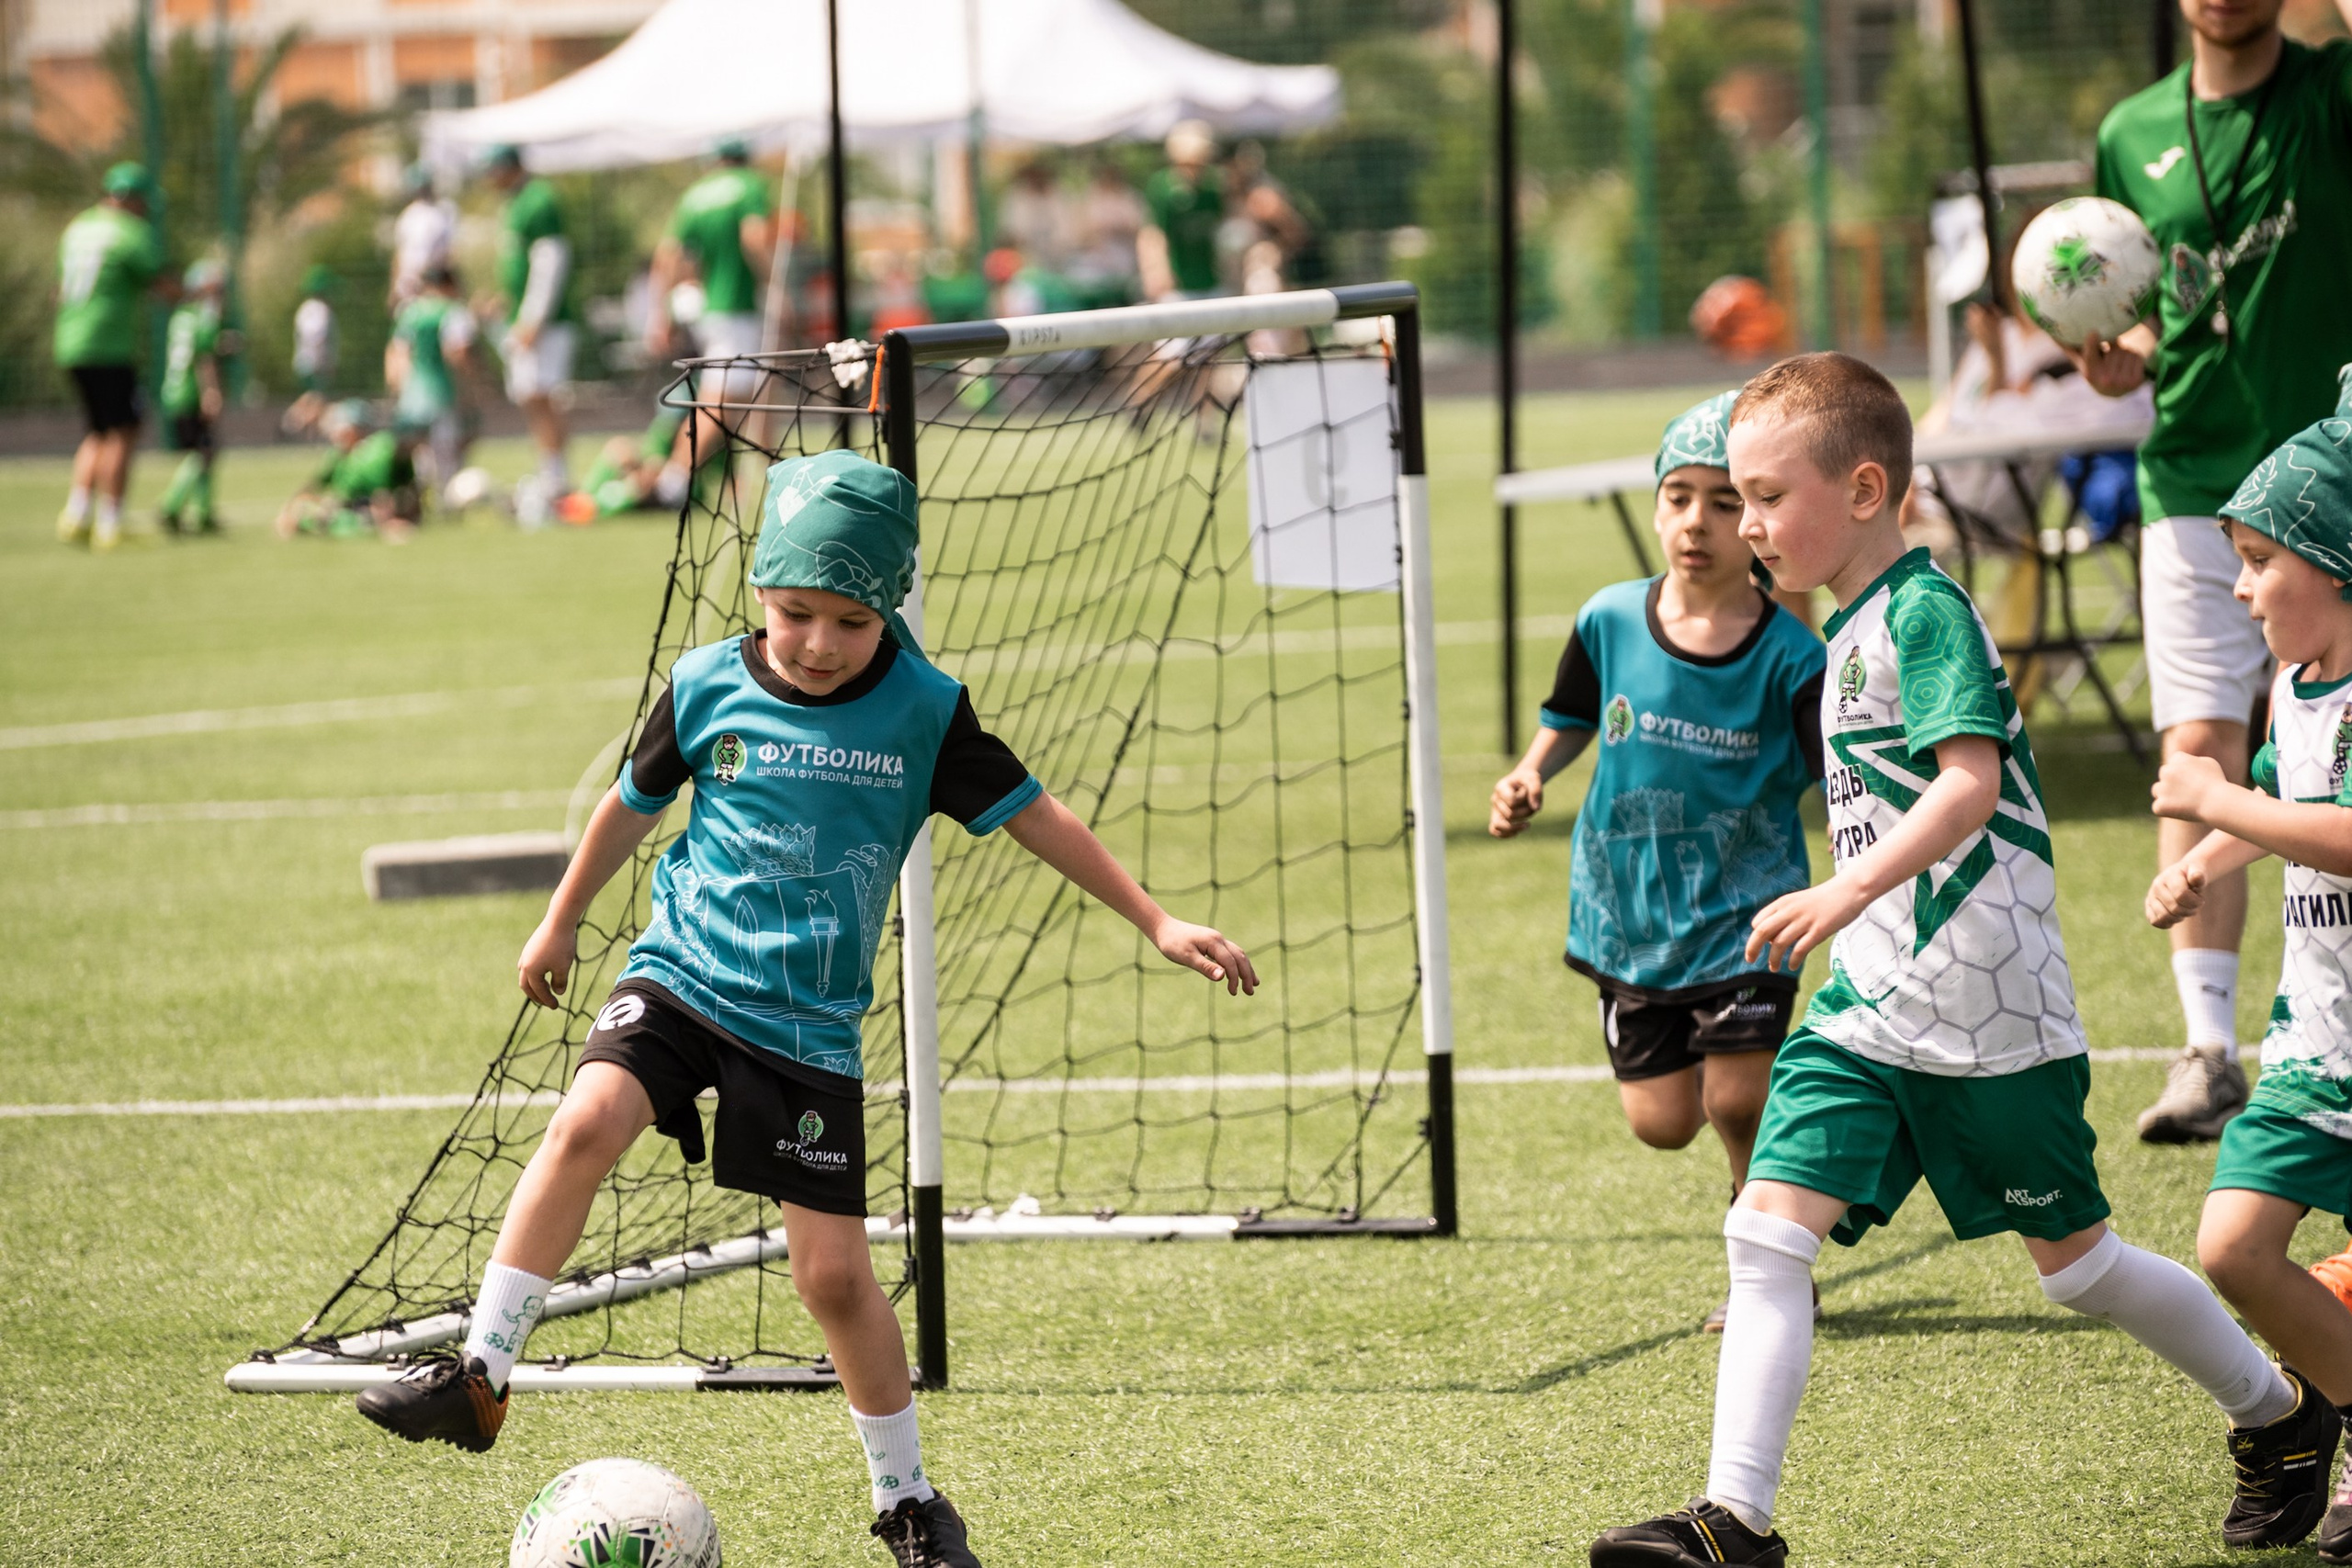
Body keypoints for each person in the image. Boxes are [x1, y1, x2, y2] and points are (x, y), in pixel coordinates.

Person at [351, 451, 1259, 1567]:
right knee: (582, 1123)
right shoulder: (703, 685)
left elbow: (1035, 814)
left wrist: (1155, 919)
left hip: (806, 1030)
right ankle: (480, 1377)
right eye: (794, 615)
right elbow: (627, 808)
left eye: (849, 621)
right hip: (679, 976)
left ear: (890, 612)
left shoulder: (926, 712)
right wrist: (561, 918)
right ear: (758, 596)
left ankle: (910, 1504)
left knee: (830, 1278)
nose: (819, 642)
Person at [1589, 353, 2326, 1568]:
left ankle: (2281, 1411)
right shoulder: (1845, 620)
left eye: (1768, 496)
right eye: (1736, 497)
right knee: (1767, 1235)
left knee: (2079, 1269)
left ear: (1865, 488)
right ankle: (1734, 1519)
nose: (1750, 524)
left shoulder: (1925, 614)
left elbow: (1967, 786)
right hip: (1868, 1007)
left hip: (1992, 1019)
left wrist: (1846, 882)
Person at [1490, 391, 1826, 1334]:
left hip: (1746, 912)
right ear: (1654, 508)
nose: (1697, 523)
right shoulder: (1608, 621)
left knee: (1738, 1095)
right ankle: (1765, 1202)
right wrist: (1528, 776)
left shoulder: (1794, 657)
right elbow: (1567, 718)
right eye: (1678, 498)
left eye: (1725, 503)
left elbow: (1835, 784)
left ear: (1760, 522)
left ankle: (1770, 1266)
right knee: (1661, 1122)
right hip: (1627, 916)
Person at [2081, 0, 2352, 1143]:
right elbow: (2156, 305)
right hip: (2191, 483)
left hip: (2331, 491)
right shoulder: (2128, 129)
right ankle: (2206, 1055)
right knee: (2198, 752)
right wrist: (2114, 351)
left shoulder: (2328, 89)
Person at [2149, 377, 2352, 1562]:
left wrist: (2220, 800)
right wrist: (2204, 854)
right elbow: (2284, 796)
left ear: (2334, 566)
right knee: (2230, 1245)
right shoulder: (2295, 687)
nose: (2237, 589)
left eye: (2259, 561)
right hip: (2314, 1050)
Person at [645, 139, 775, 513]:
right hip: (739, 307)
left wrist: (661, 314)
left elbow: (669, 256)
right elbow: (754, 238)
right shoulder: (749, 186)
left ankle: (772, 478)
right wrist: (775, 284)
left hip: (711, 311)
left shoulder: (695, 196)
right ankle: (673, 482)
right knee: (721, 403)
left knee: (755, 396)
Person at [53, 161, 164, 553]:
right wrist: (190, 294)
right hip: (108, 344)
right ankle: (109, 522)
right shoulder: (129, 232)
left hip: (69, 341)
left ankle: (76, 515)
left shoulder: (78, 228)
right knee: (123, 430)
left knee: (98, 430)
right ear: (132, 200)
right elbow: (160, 281)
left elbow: (61, 289)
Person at [481, 145, 577, 525]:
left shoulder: (539, 201)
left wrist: (534, 318)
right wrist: (505, 303)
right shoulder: (515, 204)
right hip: (524, 316)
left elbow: (551, 262)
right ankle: (550, 474)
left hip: (545, 322)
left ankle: (557, 479)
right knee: (530, 396)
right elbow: (519, 267)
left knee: (543, 395)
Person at [386, 265, 480, 502]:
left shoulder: (410, 311)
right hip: (441, 389)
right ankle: (446, 501)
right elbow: (456, 352)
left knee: (421, 451)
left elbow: (398, 353)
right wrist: (475, 384)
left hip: (413, 392)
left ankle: (420, 499)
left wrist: (399, 387)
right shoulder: (454, 312)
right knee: (448, 450)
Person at [276, 400, 419, 542]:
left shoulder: (377, 450)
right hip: (344, 507)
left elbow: (382, 496)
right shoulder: (338, 456)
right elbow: (315, 485)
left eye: (339, 427)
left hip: (364, 511)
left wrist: (389, 521)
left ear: (355, 429)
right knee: (308, 508)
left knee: (340, 518)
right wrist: (289, 508)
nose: (334, 433)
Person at [156, 259, 228, 536]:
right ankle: (172, 505)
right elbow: (204, 358)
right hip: (191, 392)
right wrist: (211, 391)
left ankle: (204, 512)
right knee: (203, 452)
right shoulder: (203, 315)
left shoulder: (181, 315)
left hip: (173, 390)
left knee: (204, 450)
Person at [1137, 120, 1225, 302]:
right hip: (1177, 285)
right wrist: (1156, 271)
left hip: (1212, 281)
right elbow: (1153, 233)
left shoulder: (1214, 186)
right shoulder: (1162, 186)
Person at [388, 164, 457, 310]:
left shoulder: (407, 216)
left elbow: (399, 256)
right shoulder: (439, 215)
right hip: (429, 285)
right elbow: (445, 256)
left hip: (412, 284)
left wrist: (394, 288)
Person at [285, 265, 336, 436]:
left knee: (313, 396)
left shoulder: (305, 308)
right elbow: (317, 337)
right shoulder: (320, 310)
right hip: (315, 360)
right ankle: (292, 423)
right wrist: (324, 359)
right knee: (316, 397)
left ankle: (303, 428)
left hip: (303, 358)